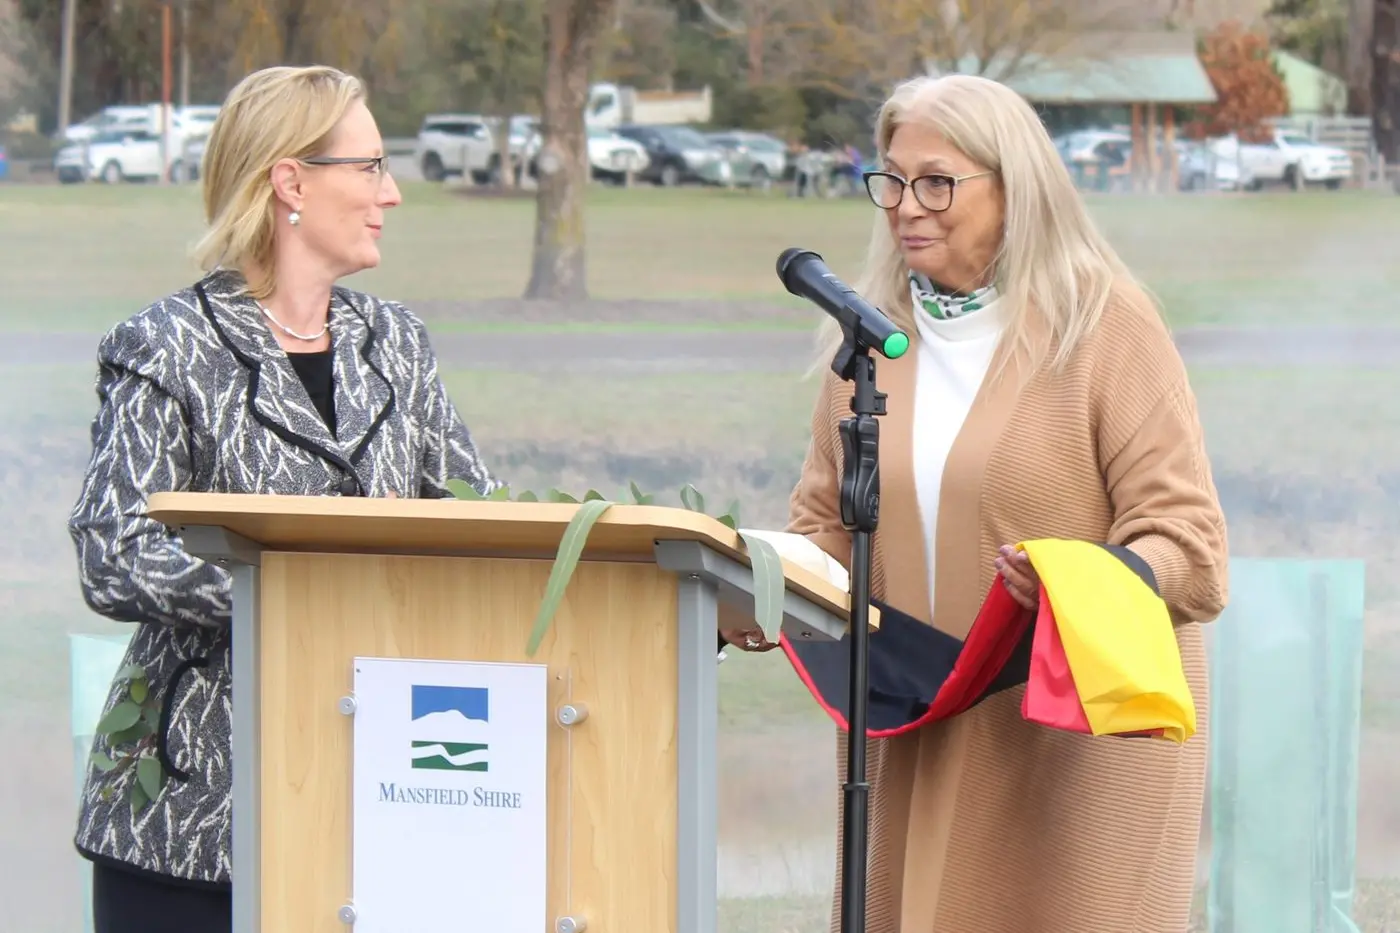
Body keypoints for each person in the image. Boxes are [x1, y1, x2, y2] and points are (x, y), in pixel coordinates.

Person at [723, 74, 1228, 932]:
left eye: (937, 182)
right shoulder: (871, 344)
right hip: (915, 718)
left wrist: (1084, 578)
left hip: (1074, 738)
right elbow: (824, 533)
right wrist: (744, 582)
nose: (906, 206)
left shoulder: (1106, 326)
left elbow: (1193, 547)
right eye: (891, 180)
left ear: (1014, 187)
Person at [67, 65, 497, 933]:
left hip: (378, 801)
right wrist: (295, 598)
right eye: (371, 166)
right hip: (189, 818)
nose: (394, 193)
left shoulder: (398, 343)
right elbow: (114, 551)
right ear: (290, 180)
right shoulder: (167, 346)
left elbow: (476, 520)